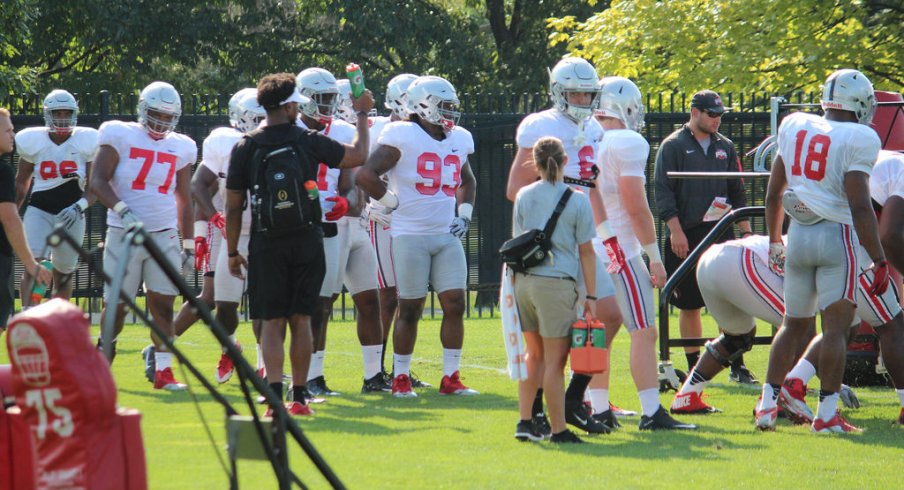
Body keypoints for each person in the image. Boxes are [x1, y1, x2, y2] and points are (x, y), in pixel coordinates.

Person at [225, 73, 373, 416]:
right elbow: (359, 153)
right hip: (307, 238)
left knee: (273, 321)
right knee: (301, 319)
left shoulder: (246, 145)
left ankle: (274, 398)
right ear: (291, 105)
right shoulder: (307, 139)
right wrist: (362, 114)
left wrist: (232, 251)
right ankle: (300, 397)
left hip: (266, 242)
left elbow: (234, 206)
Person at [757, 68, 888, 432]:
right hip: (837, 237)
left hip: (798, 234)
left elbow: (774, 191)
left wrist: (773, 239)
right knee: (836, 328)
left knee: (793, 325)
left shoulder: (794, 124)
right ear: (859, 103)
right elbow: (860, 204)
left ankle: (766, 405)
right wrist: (878, 258)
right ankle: (826, 414)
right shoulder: (861, 136)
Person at [506, 57, 624, 435]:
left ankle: (573, 397)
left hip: (583, 236)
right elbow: (516, 189)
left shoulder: (593, 128)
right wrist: (566, 185)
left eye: (588, 92)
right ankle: (541, 412)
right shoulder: (540, 126)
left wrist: (606, 234)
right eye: (575, 91)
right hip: (554, 249)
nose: (582, 98)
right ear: (558, 91)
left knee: (609, 314)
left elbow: (593, 188)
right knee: (545, 347)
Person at [356, 75, 478, 398]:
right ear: (423, 106)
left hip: (445, 234)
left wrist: (464, 215)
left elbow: (468, 180)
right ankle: (400, 378)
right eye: (443, 106)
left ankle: (451, 377)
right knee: (409, 307)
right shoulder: (402, 134)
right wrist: (388, 199)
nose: (450, 113)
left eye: (451, 106)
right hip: (409, 234)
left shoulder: (458, 138)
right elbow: (365, 174)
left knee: (455, 303)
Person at [591, 77, 694, 430]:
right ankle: (652, 411)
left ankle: (597, 408)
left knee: (595, 328)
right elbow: (635, 206)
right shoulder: (627, 141)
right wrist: (653, 255)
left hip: (584, 249)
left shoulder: (583, 136)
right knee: (644, 331)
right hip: (619, 250)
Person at [779, 149, 904, 428]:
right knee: (893, 324)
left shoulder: (880, 159)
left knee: (845, 327)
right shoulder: (899, 168)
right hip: (849, 243)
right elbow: (889, 233)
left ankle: (794, 382)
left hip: (813, 237)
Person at [91, 81, 197, 391]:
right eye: (156, 115)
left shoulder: (183, 145)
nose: (161, 122)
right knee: (118, 305)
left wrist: (188, 244)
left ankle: (163, 371)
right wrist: (123, 210)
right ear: (142, 110)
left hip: (164, 233)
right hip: (123, 231)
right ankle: (102, 358)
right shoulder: (118, 133)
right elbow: (97, 180)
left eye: (167, 117)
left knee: (163, 305)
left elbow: (184, 198)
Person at [654, 89, 755, 383]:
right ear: (694, 112)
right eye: (712, 114)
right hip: (686, 233)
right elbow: (663, 192)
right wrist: (676, 231)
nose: (717, 120)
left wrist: (746, 230)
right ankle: (696, 367)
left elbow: (737, 191)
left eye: (721, 115)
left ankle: (737, 365)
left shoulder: (726, 146)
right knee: (690, 305)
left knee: (733, 301)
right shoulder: (672, 145)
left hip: (721, 233)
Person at [511, 136, 597, 444]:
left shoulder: (523, 194)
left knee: (533, 355)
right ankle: (559, 430)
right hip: (556, 283)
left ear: (534, 163)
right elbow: (586, 251)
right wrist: (591, 296)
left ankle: (524, 421)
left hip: (524, 282)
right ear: (564, 163)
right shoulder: (577, 199)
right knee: (554, 361)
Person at [184, 88, 265, 384]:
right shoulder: (222, 142)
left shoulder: (275, 139)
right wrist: (209, 222)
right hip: (229, 231)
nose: (262, 121)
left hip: (264, 231)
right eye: (255, 116)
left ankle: (263, 364)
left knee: (262, 302)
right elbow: (197, 185)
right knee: (225, 303)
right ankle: (228, 348)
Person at [330, 77, 392, 393]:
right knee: (321, 304)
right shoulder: (324, 134)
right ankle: (312, 378)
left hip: (359, 224)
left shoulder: (361, 130)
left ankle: (372, 377)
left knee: (370, 302)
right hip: (331, 226)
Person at [363, 73, 424, 384]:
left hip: (411, 220)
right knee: (386, 296)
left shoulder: (419, 132)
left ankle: (400, 370)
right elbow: (360, 169)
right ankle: (378, 370)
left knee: (408, 296)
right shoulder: (379, 130)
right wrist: (371, 206)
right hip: (383, 219)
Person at [14, 90, 97, 307]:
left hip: (72, 213)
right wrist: (12, 213)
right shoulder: (34, 141)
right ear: (47, 114)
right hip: (39, 210)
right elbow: (22, 182)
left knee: (64, 272)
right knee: (35, 264)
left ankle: (57, 320)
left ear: (74, 114)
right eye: (57, 113)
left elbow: (95, 186)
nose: (62, 118)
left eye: (66, 113)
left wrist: (79, 207)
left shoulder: (86, 141)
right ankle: (28, 315)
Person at [0, 108, 52, 330]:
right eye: (8, 130)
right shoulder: (3, 171)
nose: (13, 135)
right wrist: (31, 265)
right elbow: (9, 218)